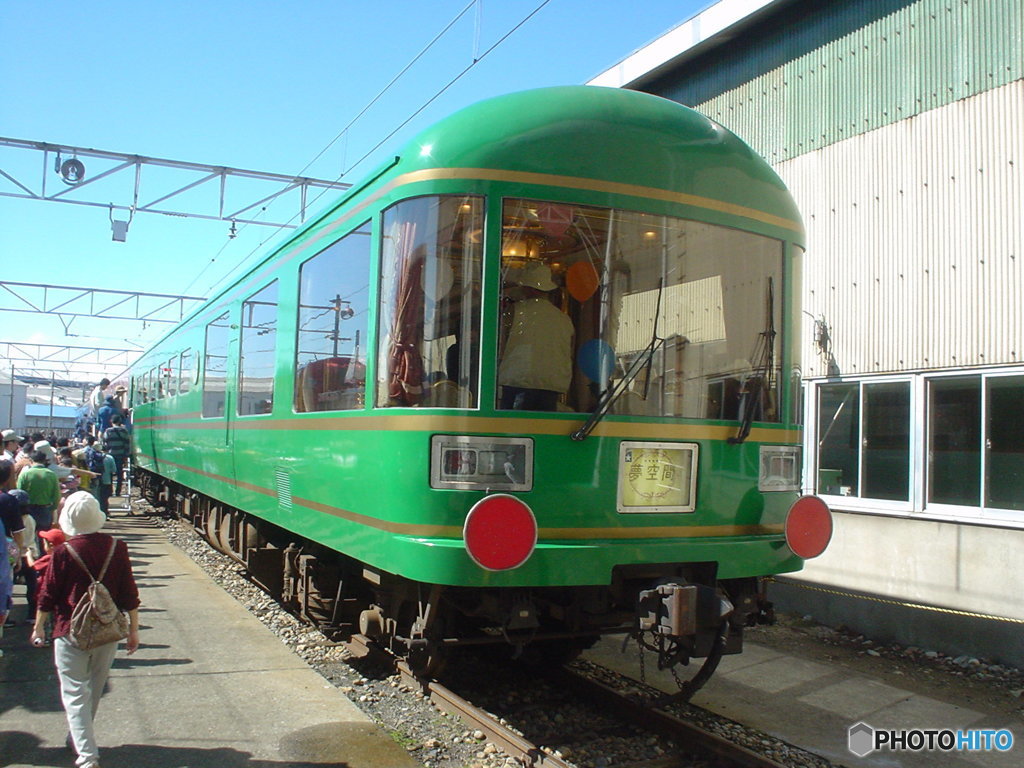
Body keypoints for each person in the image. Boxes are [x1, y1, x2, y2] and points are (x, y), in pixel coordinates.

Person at [31, 490, 140, 768]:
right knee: (93, 688)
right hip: (107, 629)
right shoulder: (117, 547)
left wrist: (39, 628)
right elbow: (129, 593)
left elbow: (48, 594)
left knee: (74, 693)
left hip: (70, 631)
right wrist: (133, 630)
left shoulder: (64, 552)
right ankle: (79, 739)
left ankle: (87, 755)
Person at [498, 262, 575, 411]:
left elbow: (501, 345)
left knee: (514, 431)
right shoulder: (564, 319)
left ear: (528, 288)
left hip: (518, 383)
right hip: (551, 388)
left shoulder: (515, 311)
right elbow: (569, 352)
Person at [16, 449, 61, 549]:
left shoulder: (25, 474)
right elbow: (56, 496)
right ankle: (44, 558)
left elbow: (19, 494)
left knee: (29, 538)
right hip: (45, 510)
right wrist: (52, 509)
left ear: (31, 460)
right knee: (44, 537)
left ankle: (32, 558)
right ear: (44, 461)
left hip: (28, 511)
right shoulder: (51, 474)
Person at [101, 415, 130, 496]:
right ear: (119, 421)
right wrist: (126, 455)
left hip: (110, 456)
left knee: (109, 473)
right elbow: (127, 444)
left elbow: (104, 444)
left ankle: (109, 491)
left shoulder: (108, 431)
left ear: (111, 421)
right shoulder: (124, 431)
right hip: (120, 455)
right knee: (119, 474)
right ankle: (118, 492)